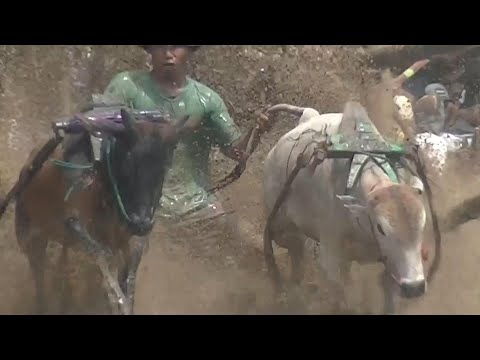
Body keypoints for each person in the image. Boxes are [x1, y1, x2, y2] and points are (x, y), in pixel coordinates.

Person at [64, 45, 267, 264]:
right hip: (140, 209)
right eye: (160, 46)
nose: (168, 53)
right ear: (150, 51)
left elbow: (237, 152)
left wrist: (257, 131)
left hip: (199, 208)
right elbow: (101, 130)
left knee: (250, 256)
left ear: (190, 51)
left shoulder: (207, 100)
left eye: (176, 47)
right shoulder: (127, 86)